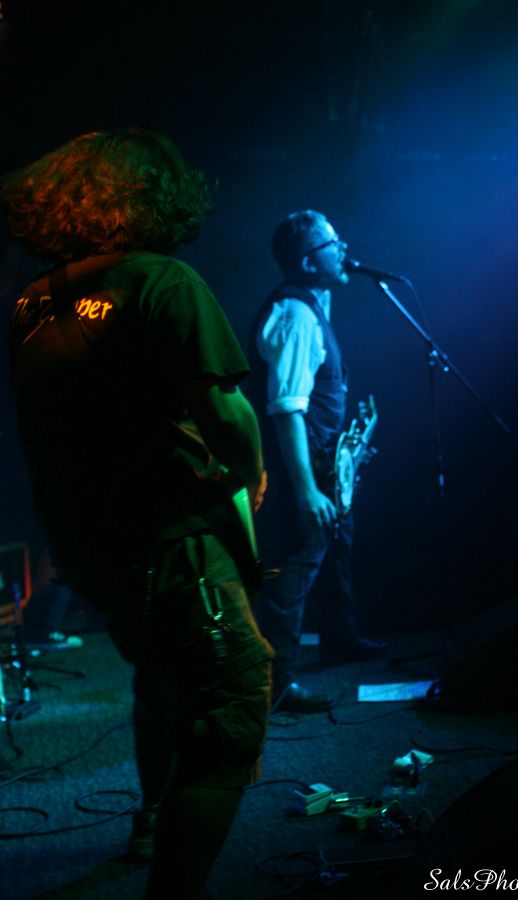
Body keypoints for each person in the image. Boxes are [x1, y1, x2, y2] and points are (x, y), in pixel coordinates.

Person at [1, 127, 272, 899]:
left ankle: (152, 819)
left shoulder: (32, 300)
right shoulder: (162, 280)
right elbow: (224, 411)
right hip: (169, 534)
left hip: (90, 540)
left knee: (158, 676)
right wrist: (252, 472)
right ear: (150, 198)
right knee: (229, 706)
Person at [251, 210, 387, 714]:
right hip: (303, 471)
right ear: (309, 261)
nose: (344, 248)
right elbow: (287, 409)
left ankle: (341, 638)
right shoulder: (295, 315)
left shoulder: (313, 305)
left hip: (326, 461)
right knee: (294, 571)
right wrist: (307, 489)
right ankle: (275, 684)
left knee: (336, 547)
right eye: (333, 243)